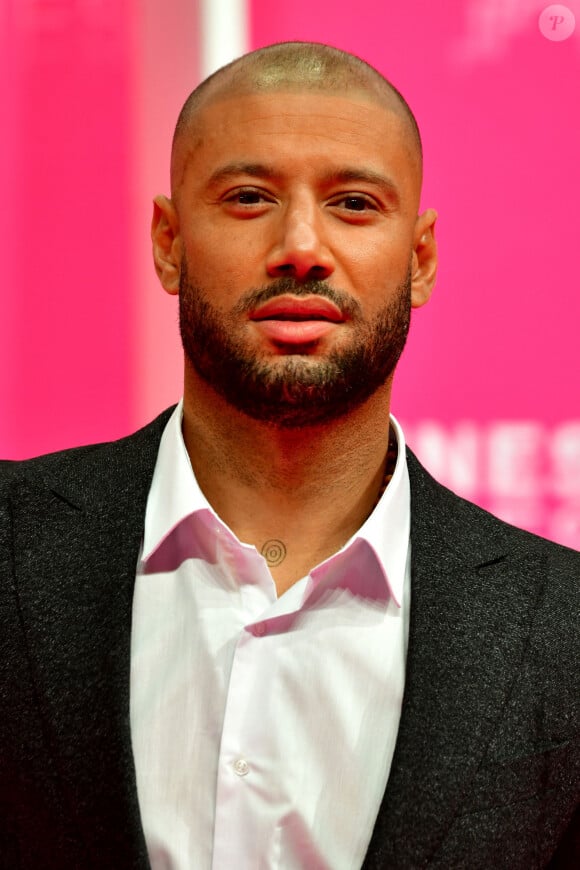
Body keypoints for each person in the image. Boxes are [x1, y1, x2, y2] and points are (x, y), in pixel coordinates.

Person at [0, 41, 578, 870]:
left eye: (351, 202)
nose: (301, 246)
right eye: (247, 196)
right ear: (168, 242)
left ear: (419, 260)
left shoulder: (562, 632)